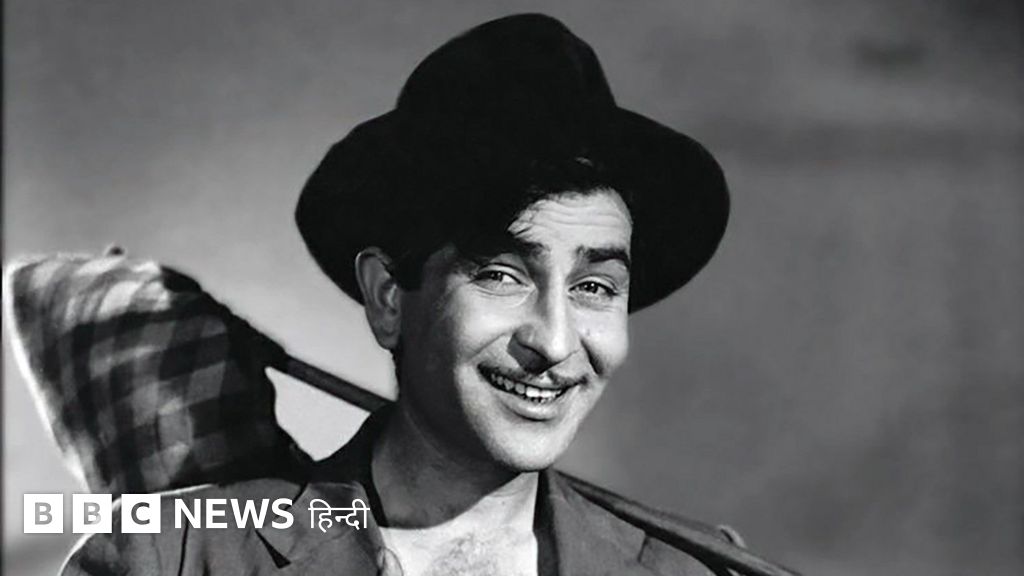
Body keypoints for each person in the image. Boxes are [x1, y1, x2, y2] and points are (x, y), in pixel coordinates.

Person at [63, 13, 794, 576]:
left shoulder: (699, 570)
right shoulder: (175, 557)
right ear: (389, 296)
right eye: (500, 274)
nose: (554, 341)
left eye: (595, 287)